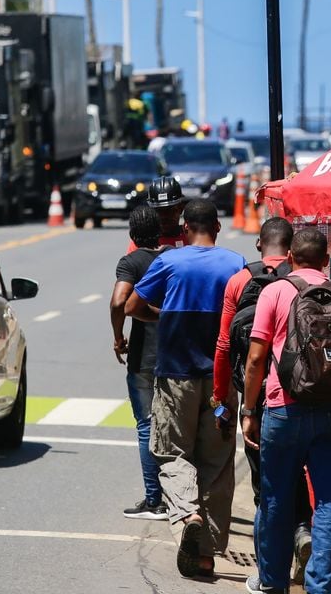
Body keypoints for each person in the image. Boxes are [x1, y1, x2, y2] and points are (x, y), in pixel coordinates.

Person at [126, 198, 245, 579]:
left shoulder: (169, 261)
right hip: (222, 381)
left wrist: (161, 317)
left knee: (172, 452)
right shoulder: (235, 264)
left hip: (175, 375)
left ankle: (187, 511)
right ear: (218, 227)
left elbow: (130, 306)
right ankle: (207, 555)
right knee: (217, 462)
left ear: (183, 228)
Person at [241, 229, 331, 594]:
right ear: (326, 260)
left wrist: (250, 409)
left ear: (290, 257)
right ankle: (320, 588)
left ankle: (272, 582)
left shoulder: (275, 292)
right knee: (328, 500)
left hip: (283, 409)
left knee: (276, 496)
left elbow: (256, 358)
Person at [211, 217, 314, 581]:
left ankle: (270, 571)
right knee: (302, 469)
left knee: (264, 486)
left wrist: (221, 397)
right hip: (300, 392)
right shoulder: (300, 279)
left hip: (255, 394)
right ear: (291, 249)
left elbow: (225, 344)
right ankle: (302, 530)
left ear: (258, 245)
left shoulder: (241, 280)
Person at [110, 205, 168, 520]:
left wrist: (118, 337)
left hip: (144, 357)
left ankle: (154, 499)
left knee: (146, 425)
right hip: (175, 355)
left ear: (132, 235)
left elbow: (119, 300)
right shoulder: (170, 258)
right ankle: (179, 498)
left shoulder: (131, 262)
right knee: (174, 428)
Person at [126, 177, 185, 253]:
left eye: (169, 210)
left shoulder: (192, 238)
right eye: (159, 211)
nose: (164, 216)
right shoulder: (142, 242)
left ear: (180, 208)